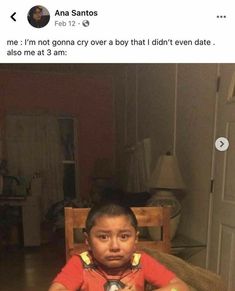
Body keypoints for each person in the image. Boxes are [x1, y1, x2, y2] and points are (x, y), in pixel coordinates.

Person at [48, 203, 189, 291]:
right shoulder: (80, 263)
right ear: (88, 240)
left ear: (136, 239)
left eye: (124, 236)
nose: (114, 246)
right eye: (103, 237)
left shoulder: (141, 261)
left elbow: (180, 287)